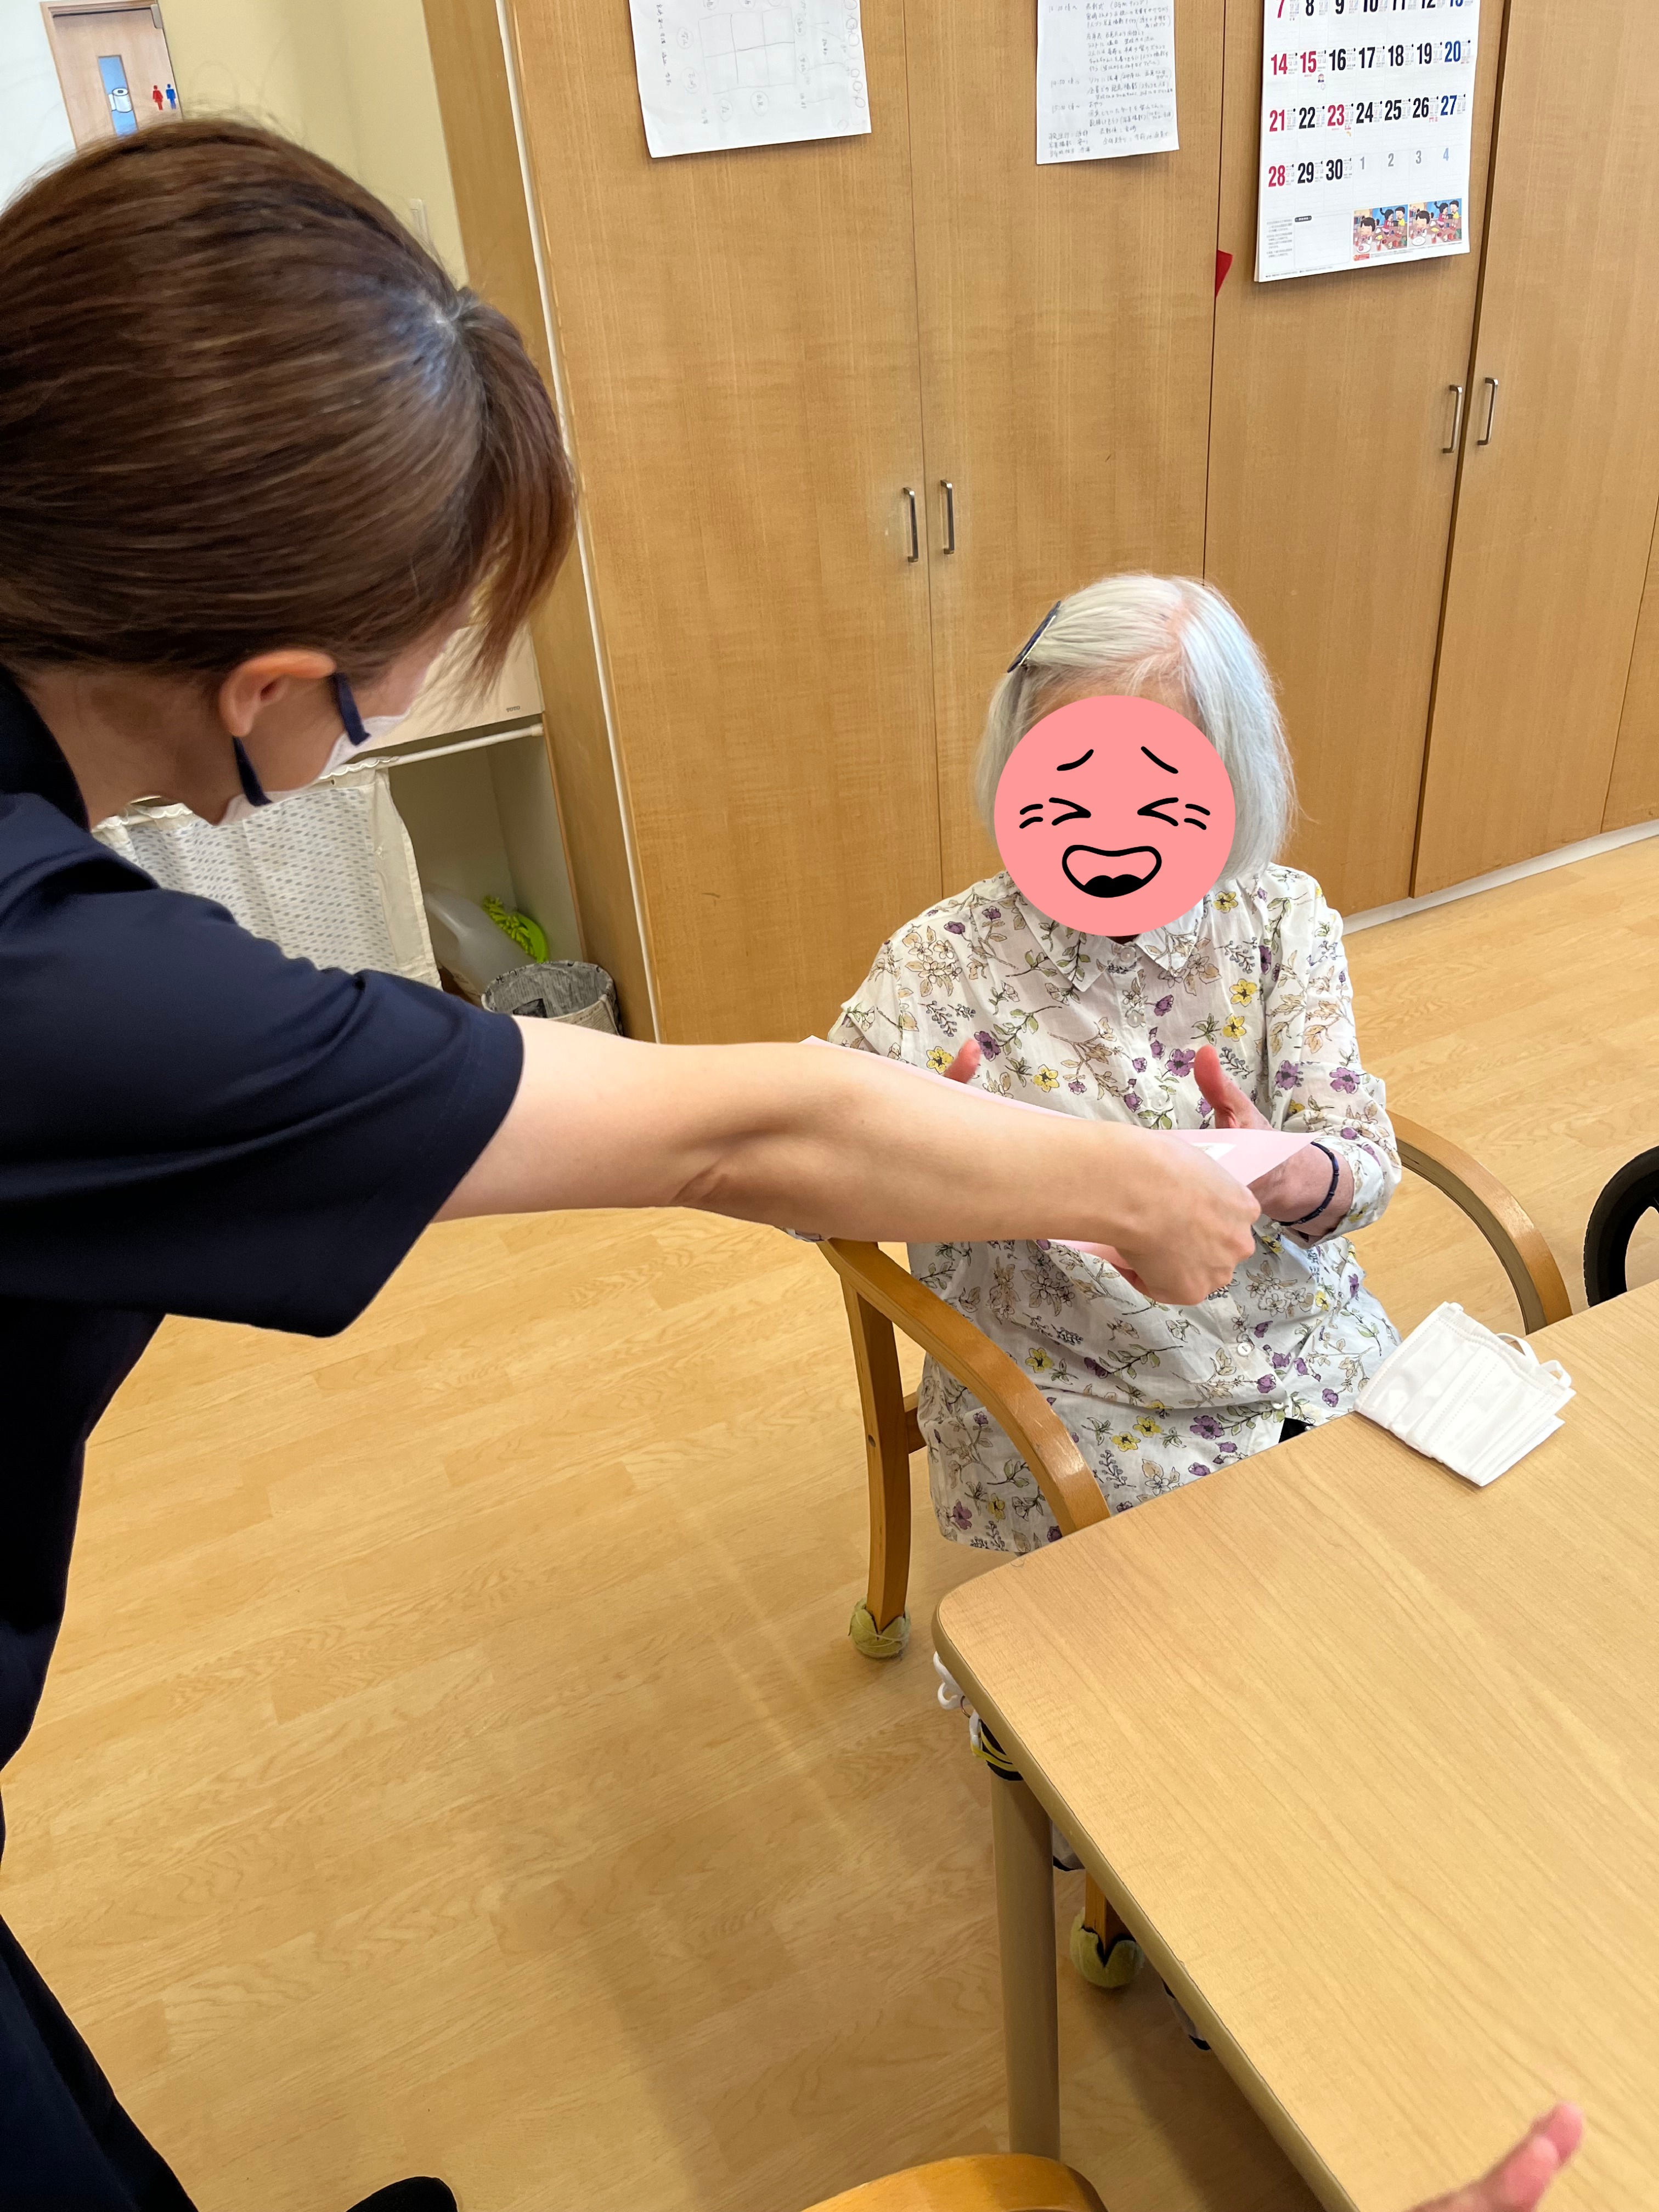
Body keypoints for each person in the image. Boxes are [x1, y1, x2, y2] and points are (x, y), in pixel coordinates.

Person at [0, 122, 1261, 2209]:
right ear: (268, 684)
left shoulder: (1275, 936)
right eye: (399, 683)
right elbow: (753, 1123)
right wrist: (1130, 1184)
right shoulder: (81, 999)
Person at [831, 577, 1401, 1551]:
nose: (1109, 830)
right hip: (1076, 1399)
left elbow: (1365, 1166)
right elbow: (810, 1190)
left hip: (1304, 1356)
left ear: (1229, 774)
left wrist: (1287, 1170)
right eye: (1069, 787)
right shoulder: (939, 964)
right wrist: (909, 1159)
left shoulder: (1281, 920)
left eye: (1155, 792)